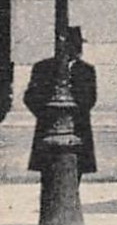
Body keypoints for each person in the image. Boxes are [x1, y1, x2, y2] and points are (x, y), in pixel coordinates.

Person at [24, 26, 97, 177]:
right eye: (74, 44)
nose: (78, 49)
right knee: (48, 171)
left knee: (76, 170)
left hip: (78, 127)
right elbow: (30, 97)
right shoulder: (43, 67)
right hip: (48, 128)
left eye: (79, 44)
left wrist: (74, 111)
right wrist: (47, 114)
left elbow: (91, 98)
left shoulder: (86, 70)